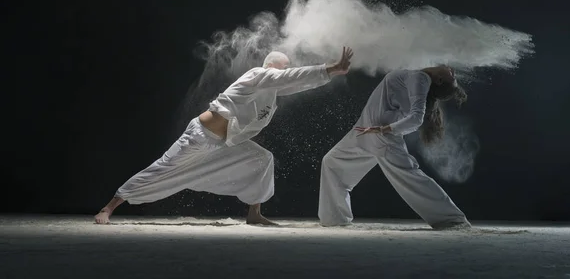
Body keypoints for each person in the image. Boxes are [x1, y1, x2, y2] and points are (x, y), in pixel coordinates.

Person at [95, 47, 354, 225]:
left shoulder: (271, 92)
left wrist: (329, 73)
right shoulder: (258, 74)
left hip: (223, 142)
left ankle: (254, 213)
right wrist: (329, 67)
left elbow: (295, 82)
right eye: (283, 68)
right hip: (199, 136)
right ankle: (109, 207)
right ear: (272, 66)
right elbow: (289, 77)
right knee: (164, 167)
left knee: (262, 158)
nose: (284, 72)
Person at [318, 66, 472, 230]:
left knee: (409, 176)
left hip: (379, 134)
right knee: (332, 162)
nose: (452, 70)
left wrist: (384, 129)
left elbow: (416, 119)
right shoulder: (419, 74)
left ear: (439, 80)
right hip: (366, 130)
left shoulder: (420, 78)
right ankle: (334, 218)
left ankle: (452, 219)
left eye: (452, 76)